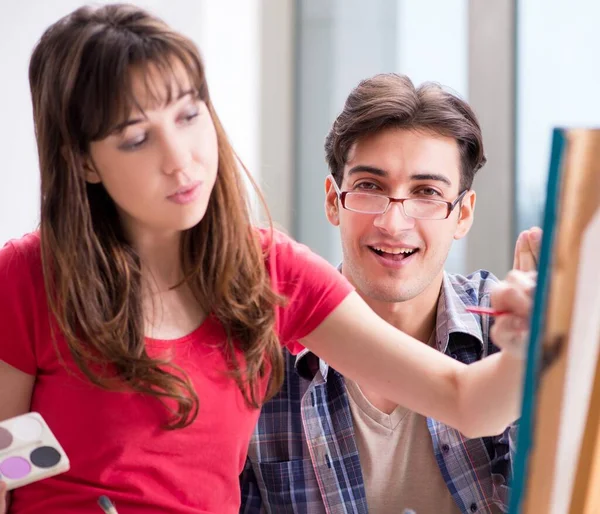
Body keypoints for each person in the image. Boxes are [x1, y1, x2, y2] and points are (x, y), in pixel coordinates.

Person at [0, 7, 533, 514]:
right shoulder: (27, 278)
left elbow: (467, 401)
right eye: (138, 138)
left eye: (189, 115)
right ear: (84, 163)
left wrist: (530, 341)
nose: (181, 158)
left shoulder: (267, 272)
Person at [240, 74, 541, 514]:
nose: (393, 223)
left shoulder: (512, 328)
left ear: (463, 215)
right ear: (332, 201)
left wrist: (551, 347)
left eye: (427, 193)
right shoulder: (259, 356)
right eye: (370, 187)